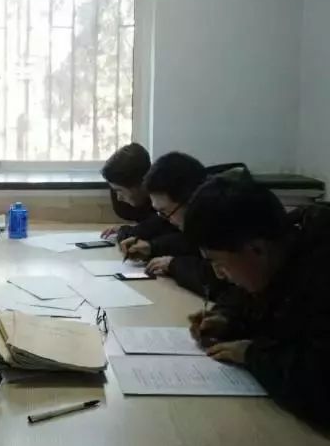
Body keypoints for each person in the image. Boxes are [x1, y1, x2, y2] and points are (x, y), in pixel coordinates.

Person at [184, 176, 330, 427]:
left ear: (257, 249)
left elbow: (320, 384)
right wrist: (228, 319)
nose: (219, 274)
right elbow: (252, 298)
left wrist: (252, 355)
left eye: (218, 262)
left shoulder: (321, 270)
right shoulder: (284, 246)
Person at [119, 152, 227, 298]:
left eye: (165, 212)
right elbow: (186, 242)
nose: (166, 220)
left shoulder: (226, 227)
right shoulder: (199, 221)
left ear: (191, 201)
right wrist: (152, 247)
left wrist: (173, 265)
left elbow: (218, 282)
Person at [99, 143, 162, 239]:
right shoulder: (126, 206)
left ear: (142, 184)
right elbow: (150, 226)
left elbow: (162, 227)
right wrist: (130, 230)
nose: (118, 198)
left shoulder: (164, 200)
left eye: (120, 190)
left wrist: (131, 231)